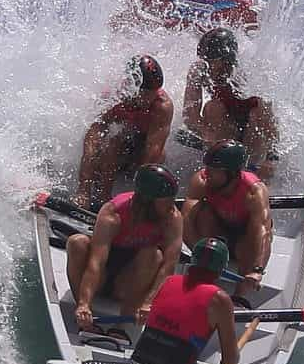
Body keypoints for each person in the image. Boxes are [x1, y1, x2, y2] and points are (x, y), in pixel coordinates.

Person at [66, 165, 184, 333]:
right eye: (166, 201)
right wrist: (84, 303)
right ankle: (84, 314)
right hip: (100, 278)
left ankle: (122, 325)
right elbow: (96, 264)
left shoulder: (172, 218)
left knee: (153, 254)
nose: (172, 206)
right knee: (76, 242)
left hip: (128, 285)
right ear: (147, 200)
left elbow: (169, 266)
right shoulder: (113, 214)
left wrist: (149, 303)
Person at [126, 237, 242, 364]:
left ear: (192, 260)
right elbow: (230, 363)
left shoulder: (168, 281)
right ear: (222, 269)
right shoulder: (220, 299)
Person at [75, 54, 172, 210]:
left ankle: (129, 199)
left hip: (138, 155)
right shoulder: (113, 98)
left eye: (154, 92)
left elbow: (153, 149)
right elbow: (92, 142)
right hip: (114, 154)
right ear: (131, 86)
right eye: (146, 93)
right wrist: (83, 188)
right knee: (113, 143)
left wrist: (138, 195)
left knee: (160, 156)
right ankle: (102, 196)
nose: (151, 97)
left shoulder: (162, 106)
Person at [182, 28, 279, 181]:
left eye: (212, 62)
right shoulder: (199, 70)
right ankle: (220, 165)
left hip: (251, 128)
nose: (209, 67)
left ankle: (252, 170)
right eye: (205, 60)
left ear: (228, 60)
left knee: (257, 112)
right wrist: (205, 133)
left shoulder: (246, 75)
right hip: (225, 126)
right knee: (213, 107)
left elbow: (270, 122)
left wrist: (271, 159)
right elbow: (190, 117)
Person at [184, 141, 273, 303]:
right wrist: (198, 250)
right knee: (203, 214)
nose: (207, 173)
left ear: (232, 174)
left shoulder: (254, 192)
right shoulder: (201, 181)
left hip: (243, 239)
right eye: (207, 167)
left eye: (213, 170)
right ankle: (204, 276)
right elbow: (186, 220)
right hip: (217, 233)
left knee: (251, 239)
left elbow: (263, 231)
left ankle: (240, 296)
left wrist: (257, 270)